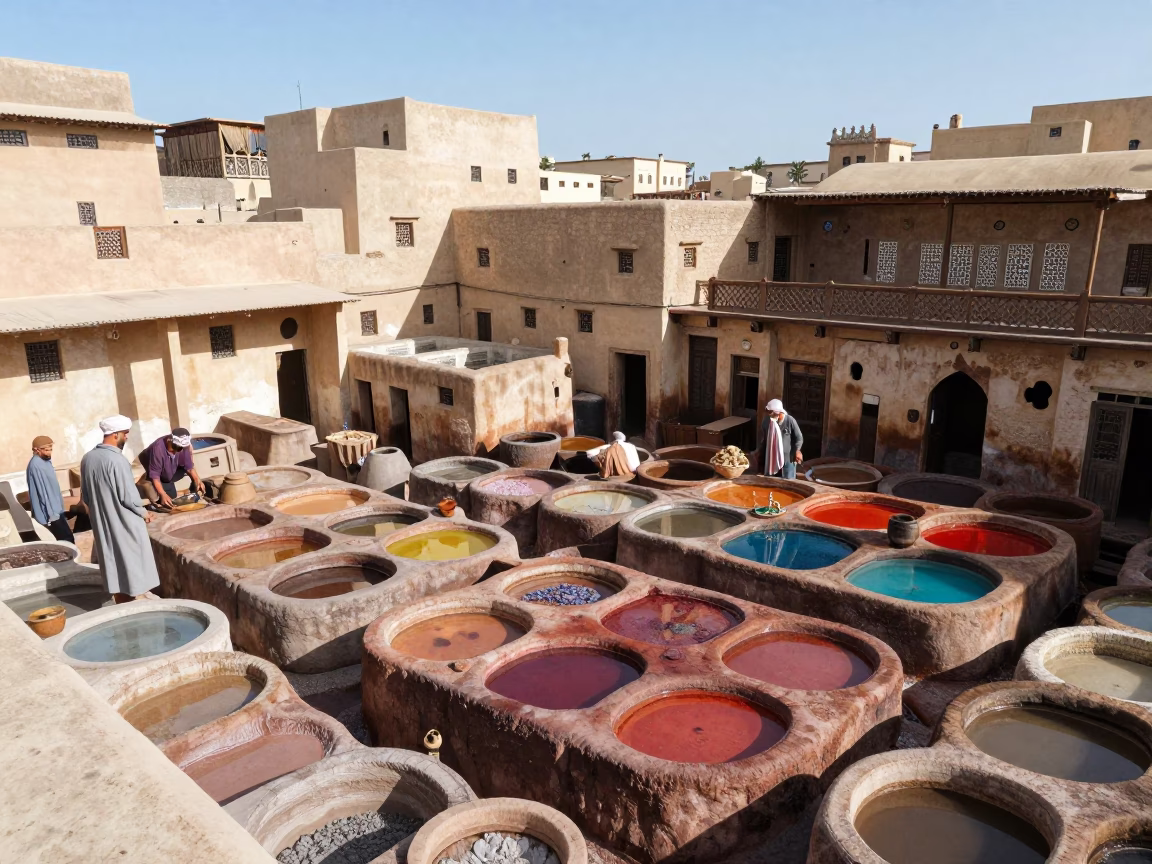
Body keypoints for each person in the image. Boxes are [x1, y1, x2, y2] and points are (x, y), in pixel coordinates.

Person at [81, 415, 160, 603]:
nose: (127, 437)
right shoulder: (117, 461)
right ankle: (137, 599)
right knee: (132, 560)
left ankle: (122, 599)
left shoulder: (88, 458)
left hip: (103, 522)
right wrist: (144, 513)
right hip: (125, 522)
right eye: (125, 434)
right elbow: (128, 498)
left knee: (114, 562)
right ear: (116, 435)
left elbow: (86, 497)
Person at [137, 427, 206, 509]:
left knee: (172, 495)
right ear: (168, 440)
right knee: (163, 499)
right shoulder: (158, 449)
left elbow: (189, 467)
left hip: (170, 467)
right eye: (174, 448)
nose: (177, 451)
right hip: (149, 467)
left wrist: (198, 480)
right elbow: (155, 475)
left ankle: (186, 490)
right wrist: (162, 493)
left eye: (180, 448)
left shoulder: (184, 446)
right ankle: (146, 483)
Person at [25, 435, 74, 543]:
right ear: (36, 450)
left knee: (67, 539)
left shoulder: (45, 462)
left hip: (56, 511)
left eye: (51, 449)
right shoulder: (36, 465)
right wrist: (52, 515)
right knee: (66, 541)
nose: (49, 453)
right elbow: (43, 493)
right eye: (46, 450)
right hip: (50, 513)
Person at [755, 398, 804, 479]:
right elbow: (764, 440)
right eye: (769, 413)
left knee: (788, 484)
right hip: (771, 458)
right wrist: (759, 452)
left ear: (779, 413)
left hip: (788, 459)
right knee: (772, 483)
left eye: (771, 413)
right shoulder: (766, 421)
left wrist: (797, 450)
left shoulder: (790, 421)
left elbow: (799, 438)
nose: (770, 415)